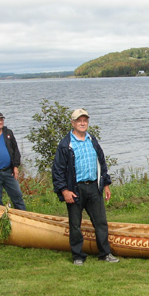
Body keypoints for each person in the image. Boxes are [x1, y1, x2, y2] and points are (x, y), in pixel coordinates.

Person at [52, 108, 119, 265]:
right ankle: (77, 256)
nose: (82, 123)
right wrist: (64, 190)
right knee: (75, 225)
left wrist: (106, 184)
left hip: (94, 188)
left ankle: (105, 253)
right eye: (79, 120)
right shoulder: (65, 144)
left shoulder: (92, 140)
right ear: (73, 123)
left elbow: (102, 163)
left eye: (85, 120)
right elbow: (57, 171)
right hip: (75, 190)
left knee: (101, 222)